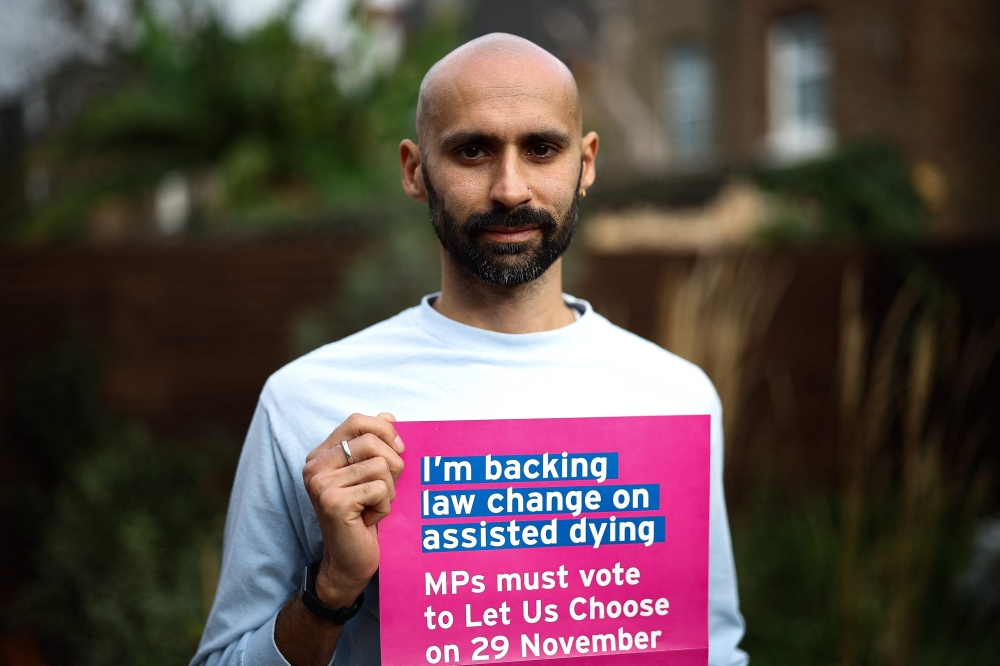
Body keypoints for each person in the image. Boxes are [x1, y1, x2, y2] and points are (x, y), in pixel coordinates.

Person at [191, 33, 747, 666]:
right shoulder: (306, 402)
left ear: (586, 164)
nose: (510, 188)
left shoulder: (677, 395)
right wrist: (332, 591)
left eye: (541, 148)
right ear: (414, 170)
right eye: (472, 150)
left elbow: (714, 649)